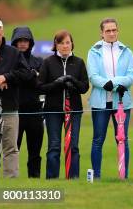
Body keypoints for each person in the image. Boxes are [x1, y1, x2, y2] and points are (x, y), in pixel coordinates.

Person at [87, 18, 133, 179]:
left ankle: (124, 176)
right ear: (101, 33)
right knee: (98, 140)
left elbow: (131, 75)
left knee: (123, 140)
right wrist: (108, 83)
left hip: (122, 102)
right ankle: (97, 177)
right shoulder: (94, 51)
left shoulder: (126, 51)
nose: (112, 33)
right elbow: (93, 76)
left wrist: (114, 84)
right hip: (100, 103)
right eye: (108, 30)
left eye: (114, 30)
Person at [38, 30, 89, 179]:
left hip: (74, 111)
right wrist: (56, 84)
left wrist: (74, 82)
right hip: (53, 111)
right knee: (54, 146)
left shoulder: (79, 62)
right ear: (56, 45)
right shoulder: (48, 62)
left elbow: (85, 87)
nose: (65, 46)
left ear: (72, 43)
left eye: (68, 42)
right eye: (61, 43)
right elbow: (40, 86)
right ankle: (52, 179)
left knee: (73, 146)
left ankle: (73, 179)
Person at [11, 26, 44, 178]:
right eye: (19, 41)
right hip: (14, 111)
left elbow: (40, 84)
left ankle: (35, 179)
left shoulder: (39, 61)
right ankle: (12, 180)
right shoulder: (9, 62)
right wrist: (31, 74)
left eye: (26, 40)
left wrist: (24, 76)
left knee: (35, 151)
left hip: (35, 112)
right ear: (14, 43)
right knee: (12, 150)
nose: (23, 43)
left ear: (30, 43)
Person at [0, 17, 24, 178]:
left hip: (9, 108)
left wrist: (6, 77)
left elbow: (25, 74)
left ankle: (10, 184)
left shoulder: (13, 52)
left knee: (11, 148)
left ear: (3, 30)